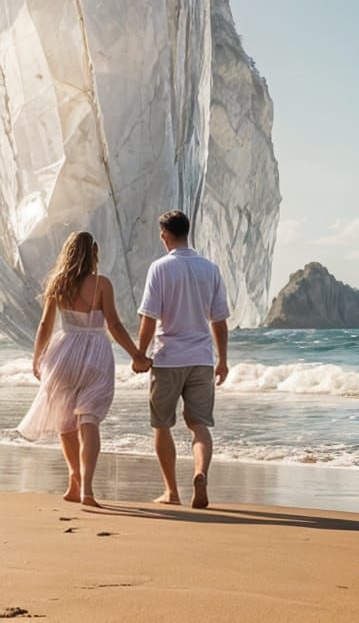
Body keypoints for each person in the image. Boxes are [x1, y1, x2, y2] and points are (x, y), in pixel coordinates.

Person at [18, 231, 150, 506]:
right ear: (94, 255)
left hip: (63, 353)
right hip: (95, 355)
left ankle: (73, 479)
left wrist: (37, 358)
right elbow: (113, 324)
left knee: (65, 422)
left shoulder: (58, 283)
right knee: (88, 420)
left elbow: (44, 325)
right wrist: (136, 355)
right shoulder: (102, 284)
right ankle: (87, 489)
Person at [137, 209, 229, 509]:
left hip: (168, 358)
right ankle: (200, 474)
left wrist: (140, 354)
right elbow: (219, 320)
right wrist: (223, 359)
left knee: (161, 425)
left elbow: (149, 318)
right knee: (199, 425)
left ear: (164, 235)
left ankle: (171, 492)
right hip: (201, 357)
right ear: (187, 232)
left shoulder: (160, 268)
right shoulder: (210, 268)